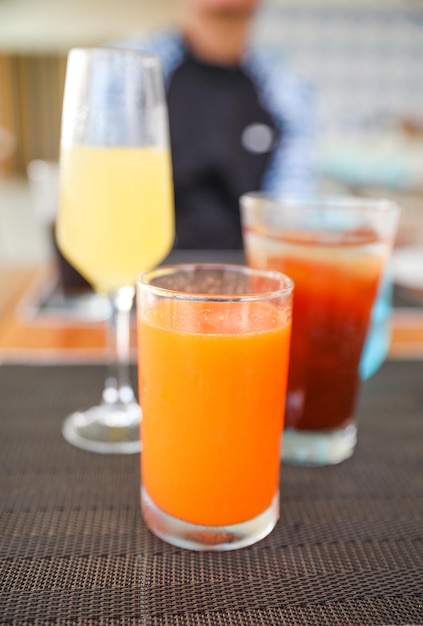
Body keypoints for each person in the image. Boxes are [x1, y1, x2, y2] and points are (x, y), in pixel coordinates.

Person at [116, 0, 316, 249]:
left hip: (249, 274)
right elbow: (101, 198)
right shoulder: (124, 72)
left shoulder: (289, 92)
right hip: (141, 267)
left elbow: (290, 216)